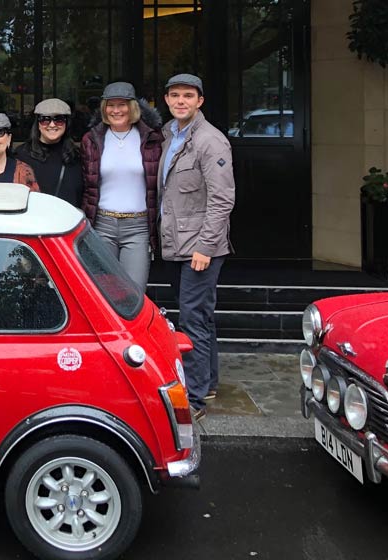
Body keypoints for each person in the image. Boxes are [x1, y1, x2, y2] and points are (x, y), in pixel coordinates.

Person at [158, 73, 235, 420]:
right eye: (175, 96)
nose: (181, 102)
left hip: (199, 249)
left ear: (200, 101)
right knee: (200, 316)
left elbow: (222, 200)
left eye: (188, 96)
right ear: (166, 100)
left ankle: (195, 398)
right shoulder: (168, 135)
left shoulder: (210, 141)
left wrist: (204, 247)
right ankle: (210, 381)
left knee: (191, 321)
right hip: (177, 243)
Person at [80, 82, 164, 293]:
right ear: (104, 109)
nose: (116, 110)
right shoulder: (91, 140)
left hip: (138, 227)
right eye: (111, 105)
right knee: (104, 294)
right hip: (102, 225)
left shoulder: (151, 139)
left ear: (133, 107)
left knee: (134, 292)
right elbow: (86, 185)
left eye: (122, 105)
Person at [14, 98, 83, 207]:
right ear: (38, 123)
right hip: (35, 220)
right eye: (45, 119)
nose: (52, 125)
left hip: (70, 220)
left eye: (58, 119)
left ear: (67, 123)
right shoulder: (22, 154)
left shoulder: (76, 155)